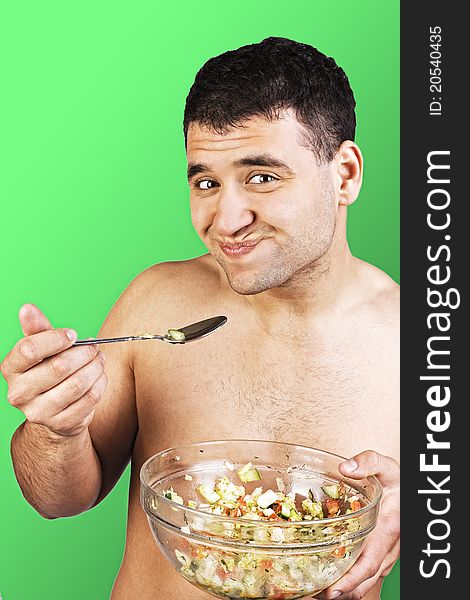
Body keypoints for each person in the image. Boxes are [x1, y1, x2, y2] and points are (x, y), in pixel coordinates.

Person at [1, 37, 399, 600]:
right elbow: (57, 499)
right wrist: (55, 430)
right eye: (206, 182)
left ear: (345, 174)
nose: (226, 219)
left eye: (262, 176)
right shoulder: (156, 301)